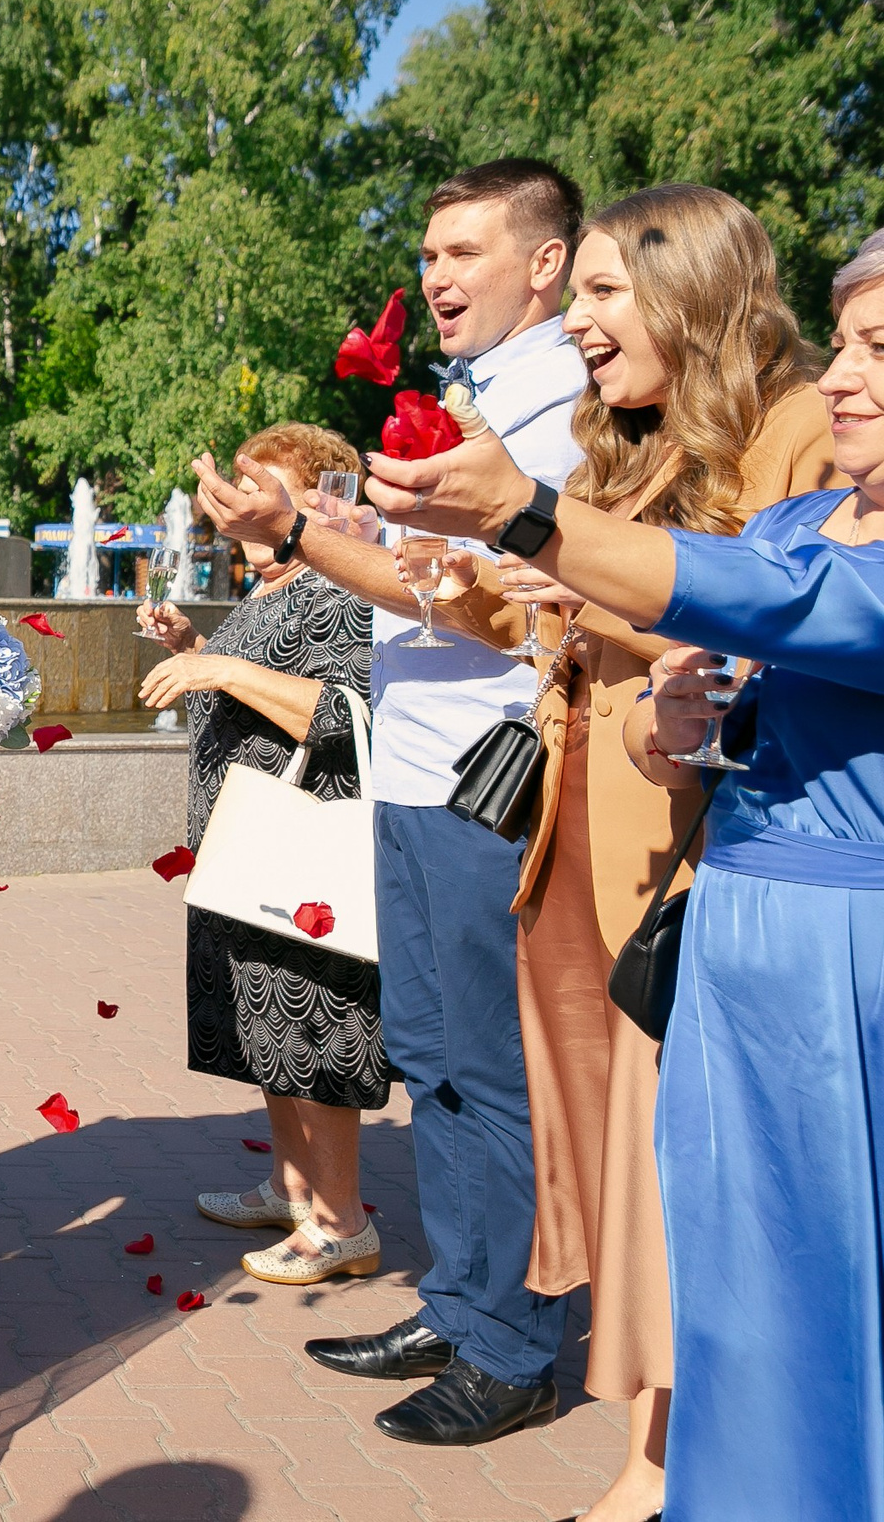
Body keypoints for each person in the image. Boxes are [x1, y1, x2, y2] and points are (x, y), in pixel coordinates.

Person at [363, 235, 884, 1522]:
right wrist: (682, 714)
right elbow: (713, 680)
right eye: (852, 342)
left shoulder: (799, 521)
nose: (848, 379)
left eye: (881, 352)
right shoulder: (799, 515)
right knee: (732, 1278)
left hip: (847, 956)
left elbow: (789, 604)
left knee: (833, 1287)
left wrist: (527, 514)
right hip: (733, 939)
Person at [191, 158, 590, 1446]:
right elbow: (431, 581)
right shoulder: (465, 399)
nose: (434, 279)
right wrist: (329, 526)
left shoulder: (553, 411)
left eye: (464, 253)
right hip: (411, 771)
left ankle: (516, 1346)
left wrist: (305, 535)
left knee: (485, 1065)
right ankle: (464, 1302)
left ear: (543, 263)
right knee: (426, 1057)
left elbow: (496, 604)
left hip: (485, 782)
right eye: (428, 256)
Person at [138, 424, 381, 1286]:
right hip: (247, 853)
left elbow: (348, 714)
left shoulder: (341, 588)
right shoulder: (274, 584)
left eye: (257, 482)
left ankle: (342, 1221)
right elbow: (256, 685)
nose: (232, 497)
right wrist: (193, 652)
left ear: (320, 502)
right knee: (266, 1030)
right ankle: (290, 1187)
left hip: (302, 857)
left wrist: (222, 674)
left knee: (315, 1026)